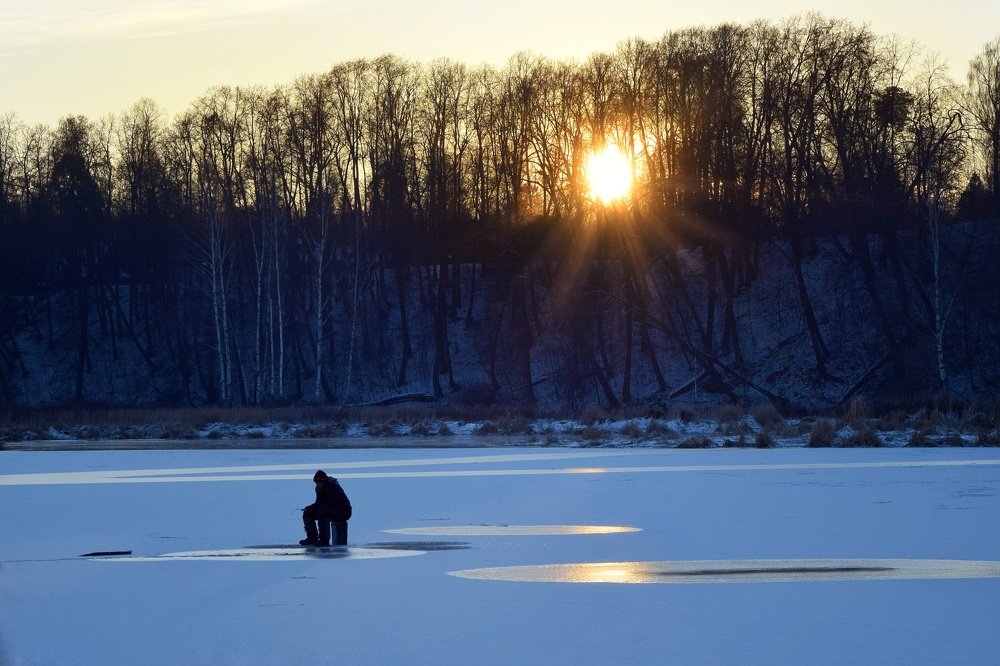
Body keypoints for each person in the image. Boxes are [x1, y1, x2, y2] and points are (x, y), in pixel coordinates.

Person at [300, 470, 352, 546]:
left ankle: (324, 539)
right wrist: (310, 508)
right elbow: (319, 503)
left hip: (343, 512)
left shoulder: (334, 487)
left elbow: (332, 504)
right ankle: (312, 537)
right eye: (316, 482)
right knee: (308, 512)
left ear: (324, 481)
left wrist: (319, 507)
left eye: (319, 482)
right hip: (329, 510)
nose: (317, 484)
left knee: (323, 512)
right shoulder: (318, 488)